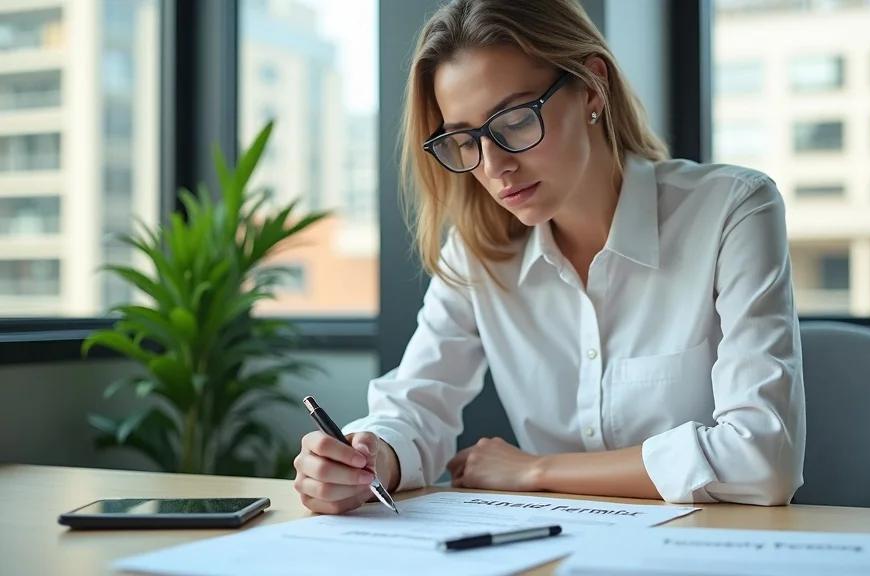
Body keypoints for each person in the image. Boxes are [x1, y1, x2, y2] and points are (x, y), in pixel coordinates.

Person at [292, 0, 806, 515]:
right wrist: (368, 457)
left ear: (590, 85)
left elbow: (763, 456)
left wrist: (536, 471)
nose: (495, 167)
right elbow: (415, 404)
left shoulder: (732, 210)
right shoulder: (480, 252)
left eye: (513, 120)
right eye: (465, 139)